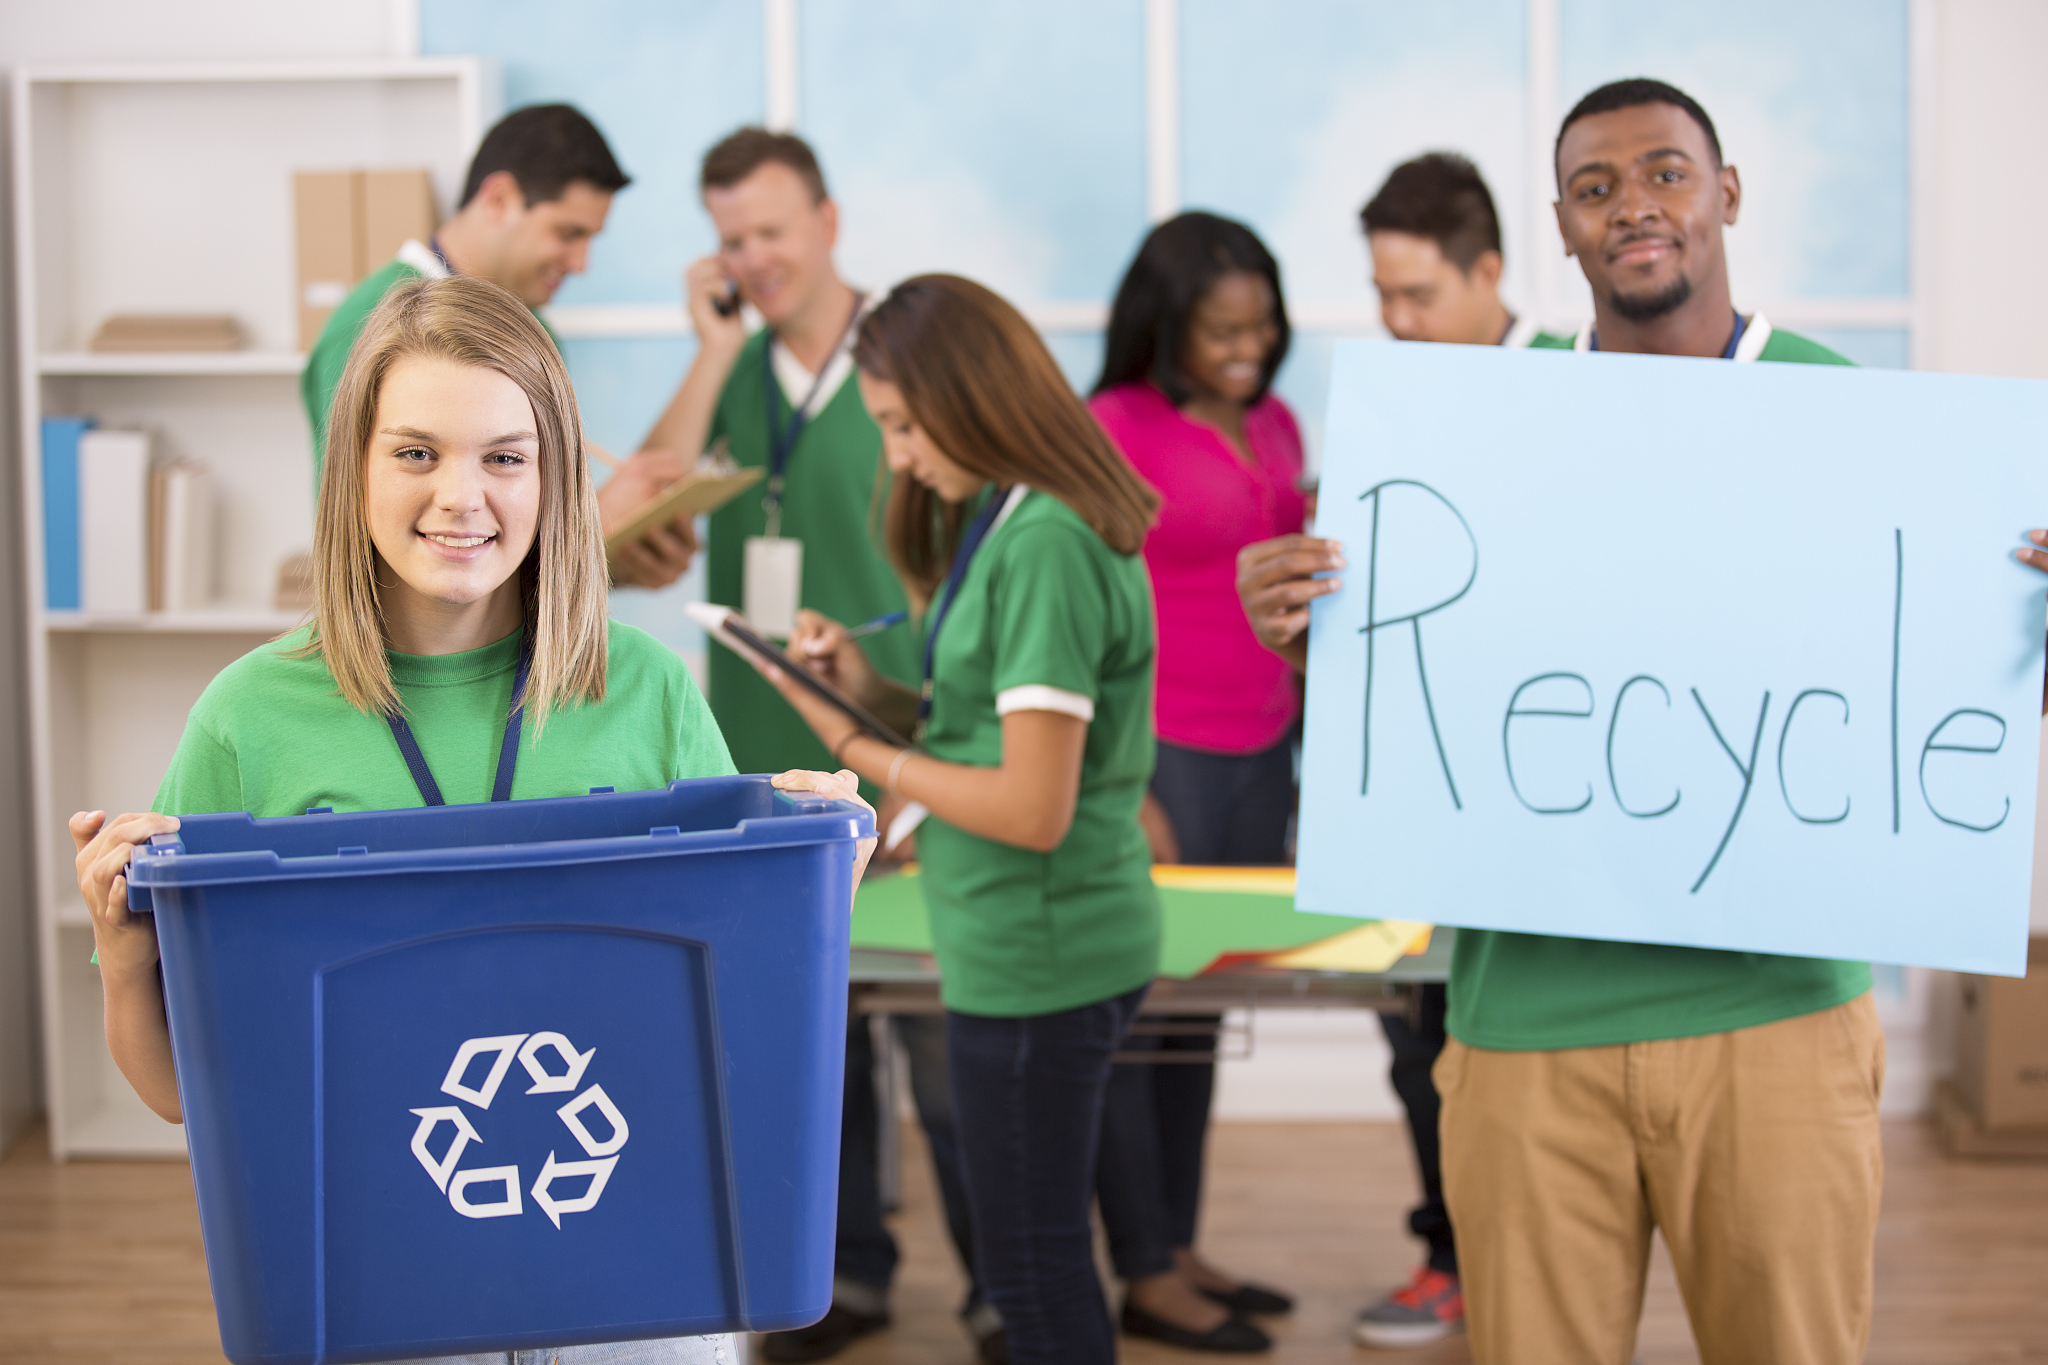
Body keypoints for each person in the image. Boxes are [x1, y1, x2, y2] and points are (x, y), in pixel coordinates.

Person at [75, 274, 873, 1365]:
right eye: (415, 453)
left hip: (646, 1288)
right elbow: (190, 1101)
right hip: (380, 1299)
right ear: (351, 467)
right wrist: (125, 956)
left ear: (552, 476)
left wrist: (817, 881)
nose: (462, 497)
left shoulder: (639, 688)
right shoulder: (250, 719)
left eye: (505, 456)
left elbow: (733, 1036)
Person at [1238, 80, 1878, 1365]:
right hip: (1525, 1020)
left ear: (1725, 195)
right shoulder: (1468, 424)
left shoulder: (1855, 415)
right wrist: (1297, 620)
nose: (1632, 205)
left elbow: (1918, 709)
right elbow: (1411, 690)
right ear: (1560, 227)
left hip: (1776, 1023)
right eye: (1594, 188)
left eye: (1663, 173)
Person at [758, 274, 1163, 1365]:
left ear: (966, 395)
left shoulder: (1043, 546)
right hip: (1023, 945)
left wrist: (858, 752)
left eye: (897, 423)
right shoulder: (1009, 517)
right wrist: (867, 691)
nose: (893, 453)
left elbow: (1032, 807)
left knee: (1031, 1278)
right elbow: (982, 729)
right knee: (1033, 1266)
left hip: (1042, 955)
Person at [638, 129, 992, 1364]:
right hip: (759, 751)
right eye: (731, 237)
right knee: (806, 1031)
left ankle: (998, 1285)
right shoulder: (732, 371)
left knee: (948, 1038)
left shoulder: (900, 358)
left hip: (902, 734)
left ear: (829, 221)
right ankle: (845, 1276)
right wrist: (713, 349)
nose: (754, 257)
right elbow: (645, 502)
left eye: (772, 231)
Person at [1333, 150, 1572, 1350]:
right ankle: (1449, 1254)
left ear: (1491, 270)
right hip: (1416, 790)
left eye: (1418, 294)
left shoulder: (1583, 391)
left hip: (1544, 793)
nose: (1394, 318)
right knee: (1412, 1037)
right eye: (1381, 293)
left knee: (1497, 1042)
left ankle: (1508, 1261)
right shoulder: (1388, 409)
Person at [1085, 211, 1301, 1354]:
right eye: (1220, 328)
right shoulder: (1109, 428)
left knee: (1201, 1010)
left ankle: (1178, 1243)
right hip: (1157, 755)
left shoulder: (1276, 420)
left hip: (1263, 750)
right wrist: (1119, 787)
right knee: (1132, 1013)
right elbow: (1079, 615)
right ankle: (1144, 1269)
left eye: (1260, 324)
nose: (1246, 346)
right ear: (1164, 326)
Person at [300, 103, 698, 591]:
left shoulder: (536, 334)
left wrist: (613, 560)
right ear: (499, 198)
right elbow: (364, 545)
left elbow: (520, 539)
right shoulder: (368, 325)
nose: (581, 264)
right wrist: (596, 524)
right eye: (568, 233)